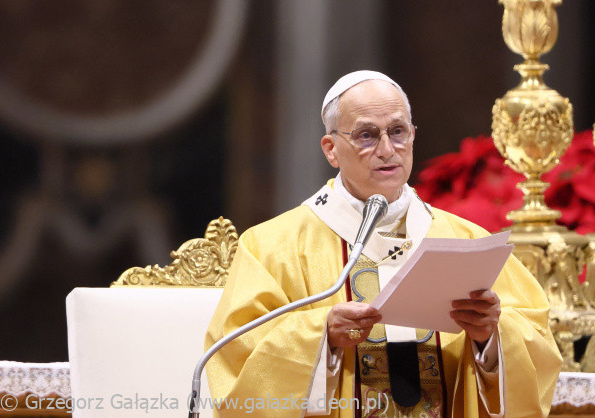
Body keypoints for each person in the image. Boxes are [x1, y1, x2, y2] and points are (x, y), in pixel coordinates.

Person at [205, 70, 562, 417]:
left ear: (413, 135)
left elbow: (538, 349)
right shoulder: (272, 248)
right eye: (366, 135)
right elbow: (235, 360)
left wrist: (490, 338)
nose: (387, 149)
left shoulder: (467, 241)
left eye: (398, 131)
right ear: (331, 150)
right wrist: (322, 335)